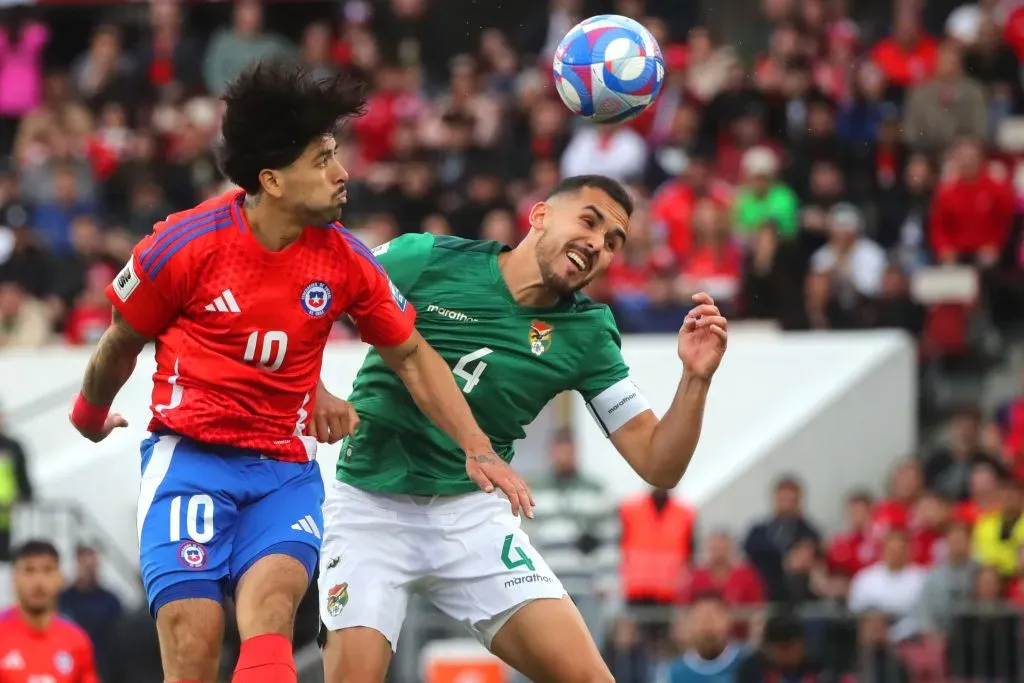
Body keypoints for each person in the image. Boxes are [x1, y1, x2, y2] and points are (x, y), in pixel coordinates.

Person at [67, 62, 523, 683]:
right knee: (193, 642)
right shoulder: (185, 245)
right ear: (272, 180)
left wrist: (477, 446)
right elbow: (120, 342)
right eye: (323, 160)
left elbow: (412, 355)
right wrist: (89, 414)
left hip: (283, 468)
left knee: (271, 613)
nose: (343, 175)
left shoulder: (345, 261)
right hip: (190, 458)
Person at [317, 174, 729, 683]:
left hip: (472, 517)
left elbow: (658, 462)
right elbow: (309, 292)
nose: (598, 244)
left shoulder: (588, 333)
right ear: (538, 216)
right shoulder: (424, 257)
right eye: (589, 221)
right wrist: (314, 388)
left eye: (612, 243)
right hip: (369, 509)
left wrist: (695, 379)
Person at [0, 540, 99, 683]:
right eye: (29, 570)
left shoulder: (77, 641)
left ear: (60, 578)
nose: (39, 581)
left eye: (47, 570)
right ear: (15, 578)